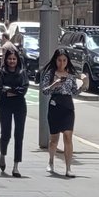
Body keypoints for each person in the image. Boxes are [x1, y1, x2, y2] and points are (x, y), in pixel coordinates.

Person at [41, 48, 80, 178]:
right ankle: (51, 161)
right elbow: (45, 91)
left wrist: (84, 86)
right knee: (54, 139)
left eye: (64, 60)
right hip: (55, 105)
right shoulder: (50, 74)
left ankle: (68, 168)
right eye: (59, 60)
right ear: (55, 60)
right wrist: (54, 84)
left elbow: (74, 92)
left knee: (68, 136)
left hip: (67, 107)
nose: (62, 63)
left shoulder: (71, 75)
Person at [0, 45, 28, 177]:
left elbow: (23, 90)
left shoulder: (22, 72)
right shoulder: (1, 73)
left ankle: (16, 166)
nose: (12, 61)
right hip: (5, 105)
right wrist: (11, 91)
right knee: (6, 133)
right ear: (6, 60)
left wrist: (9, 90)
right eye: (10, 59)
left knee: (19, 135)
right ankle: (2, 154)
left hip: (20, 106)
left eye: (14, 59)